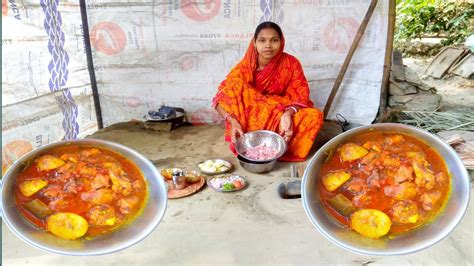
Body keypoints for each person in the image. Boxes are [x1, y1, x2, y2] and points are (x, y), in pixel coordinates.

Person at [212, 21, 323, 162]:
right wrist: (233, 121)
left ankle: (278, 146)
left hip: (280, 113)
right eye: (262, 40)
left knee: (314, 116)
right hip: (253, 114)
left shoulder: (291, 63)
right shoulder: (245, 66)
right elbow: (219, 100)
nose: (268, 45)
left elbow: (301, 95)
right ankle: (254, 142)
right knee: (233, 85)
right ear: (254, 43)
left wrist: (288, 114)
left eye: (274, 40)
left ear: (281, 42)